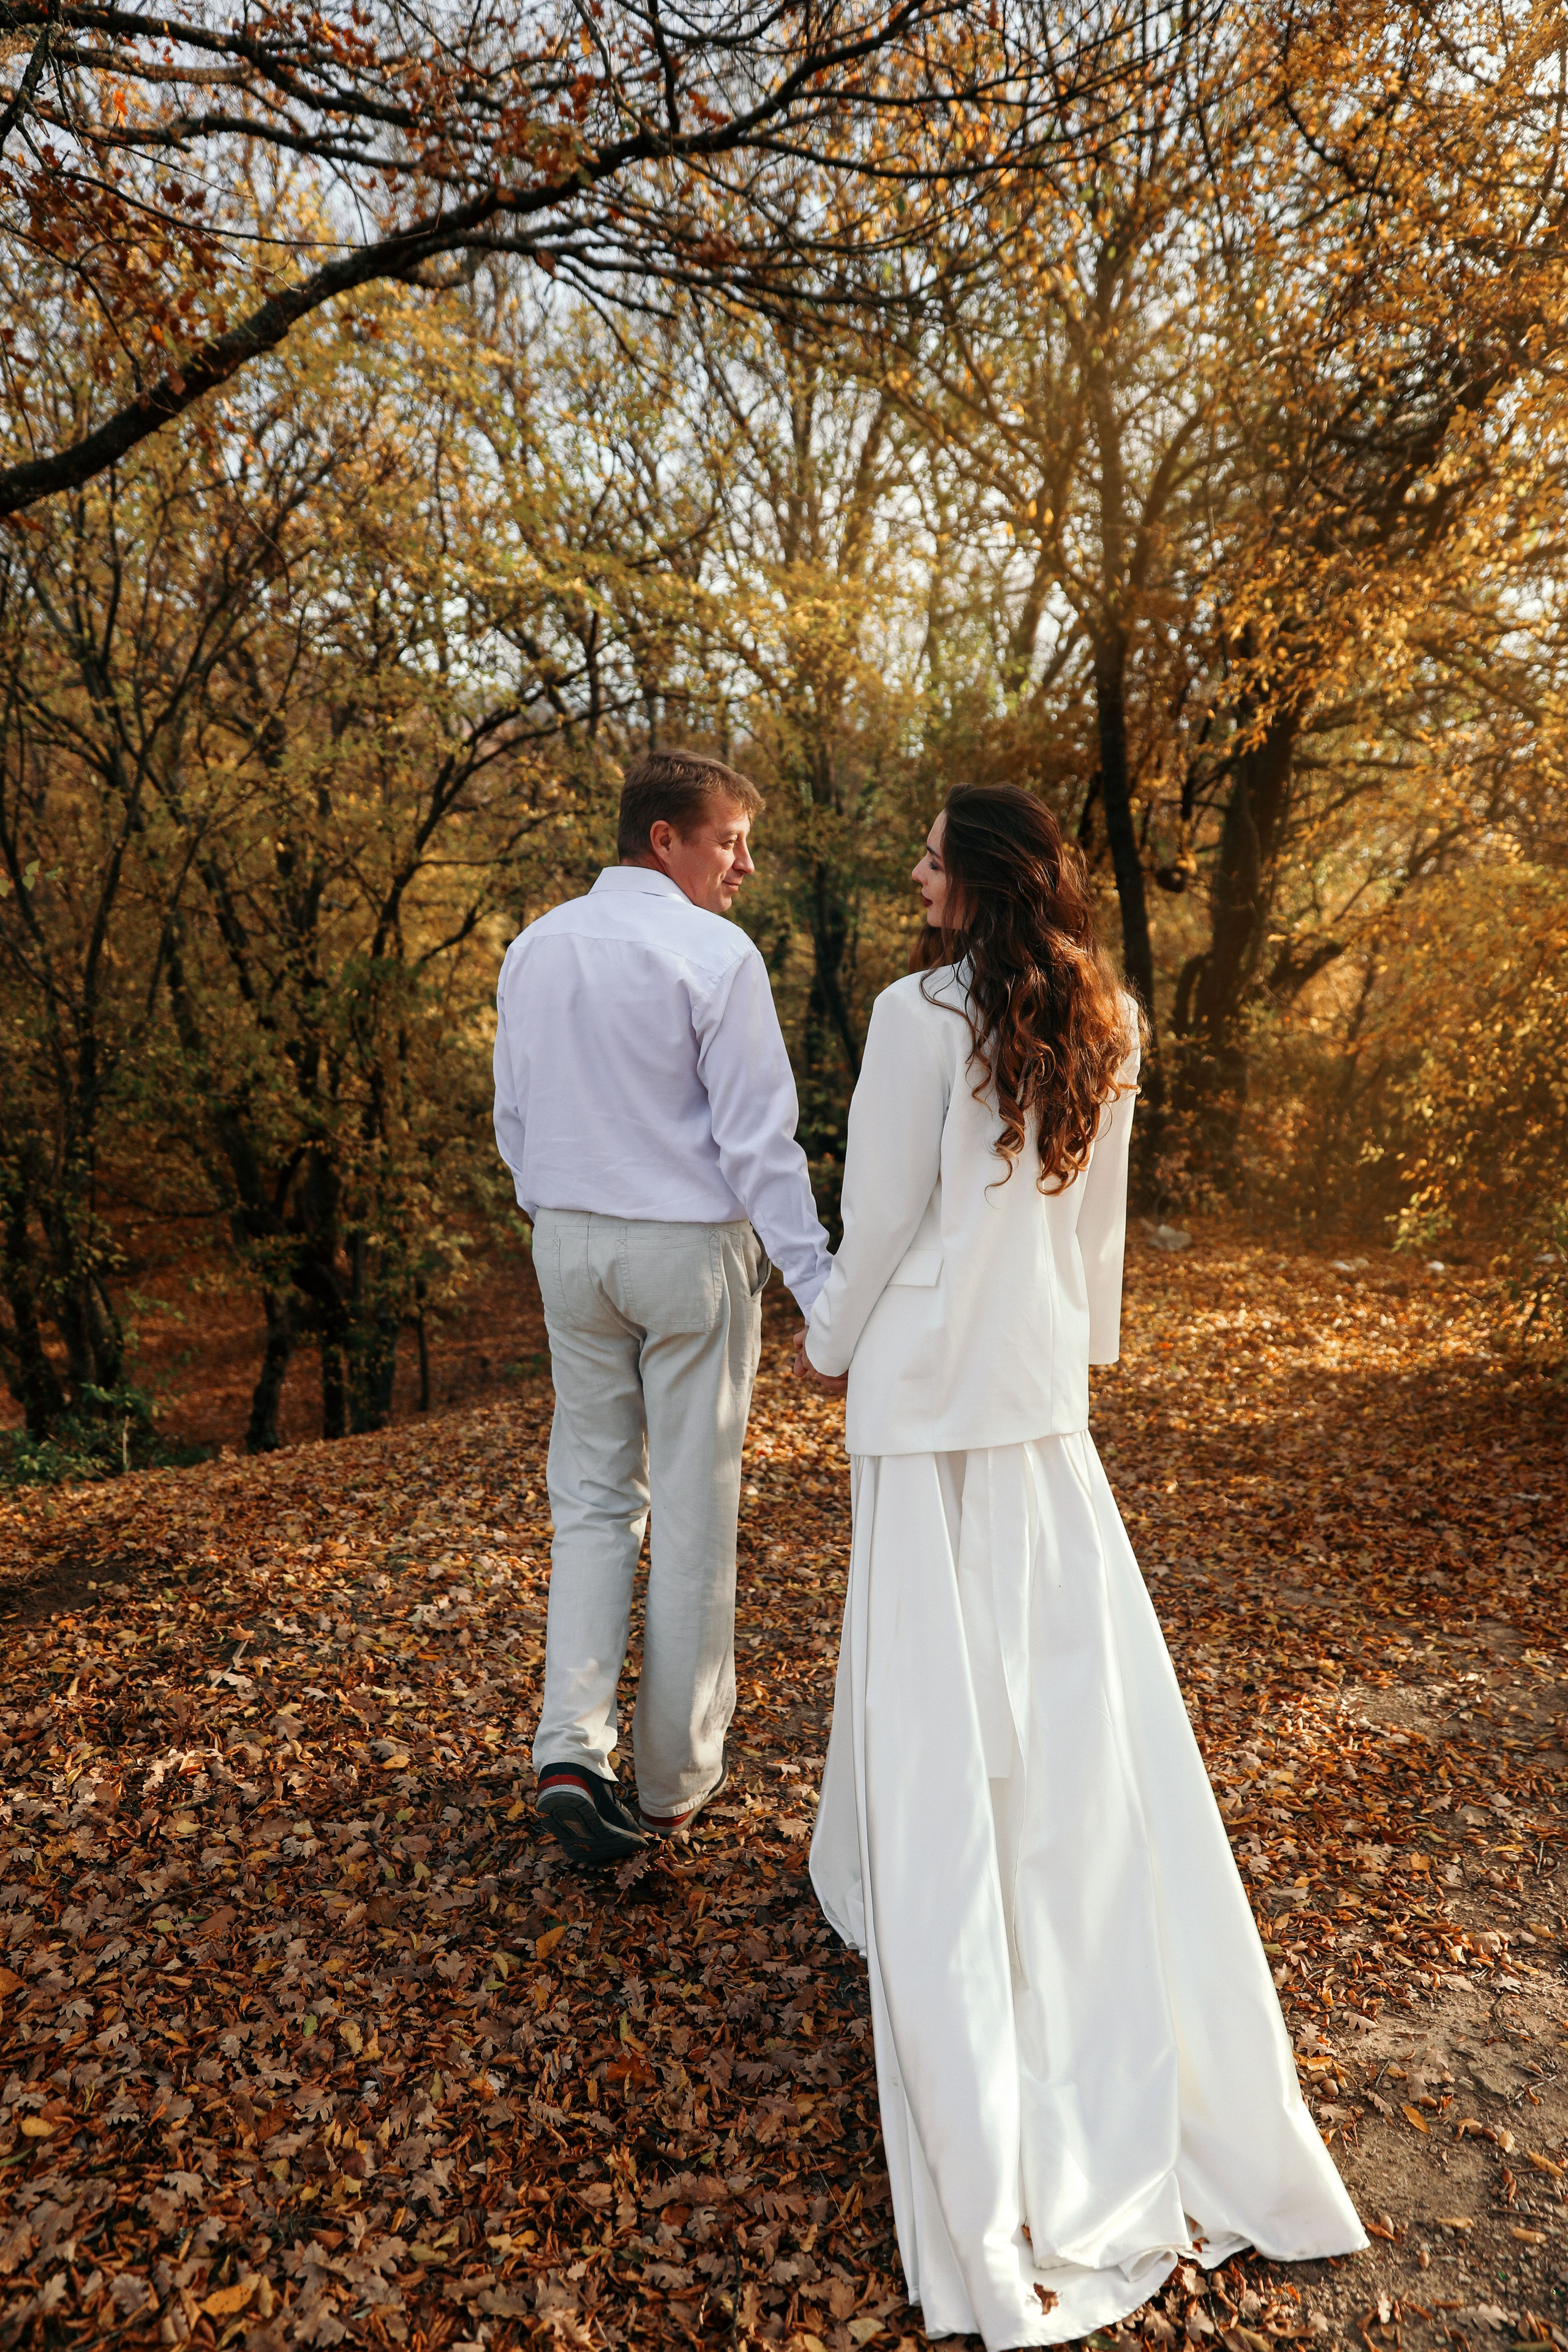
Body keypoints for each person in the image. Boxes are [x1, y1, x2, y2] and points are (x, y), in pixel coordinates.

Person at [796, 785, 1365, 2348]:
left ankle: (921, 1903)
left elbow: (881, 1212)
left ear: (971, 879)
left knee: (932, 1683)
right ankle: (899, 1880)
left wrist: (823, 1346)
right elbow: (1094, 1232)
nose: (909, 873)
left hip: (922, 1399)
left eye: (924, 854)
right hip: (1035, 1399)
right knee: (1051, 1696)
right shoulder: (1101, 1013)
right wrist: (1079, 1363)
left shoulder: (916, 1016)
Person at [494, 750, 830, 1866]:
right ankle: (673, 1784)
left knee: (591, 1496)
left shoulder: (536, 947)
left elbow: (514, 1116)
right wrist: (816, 1285)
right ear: (665, 841)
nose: (744, 863)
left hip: (571, 1244)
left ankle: (567, 1751)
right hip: (686, 1254)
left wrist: (556, 1214)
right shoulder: (716, 954)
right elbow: (758, 1142)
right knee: (692, 1507)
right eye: (729, 839)